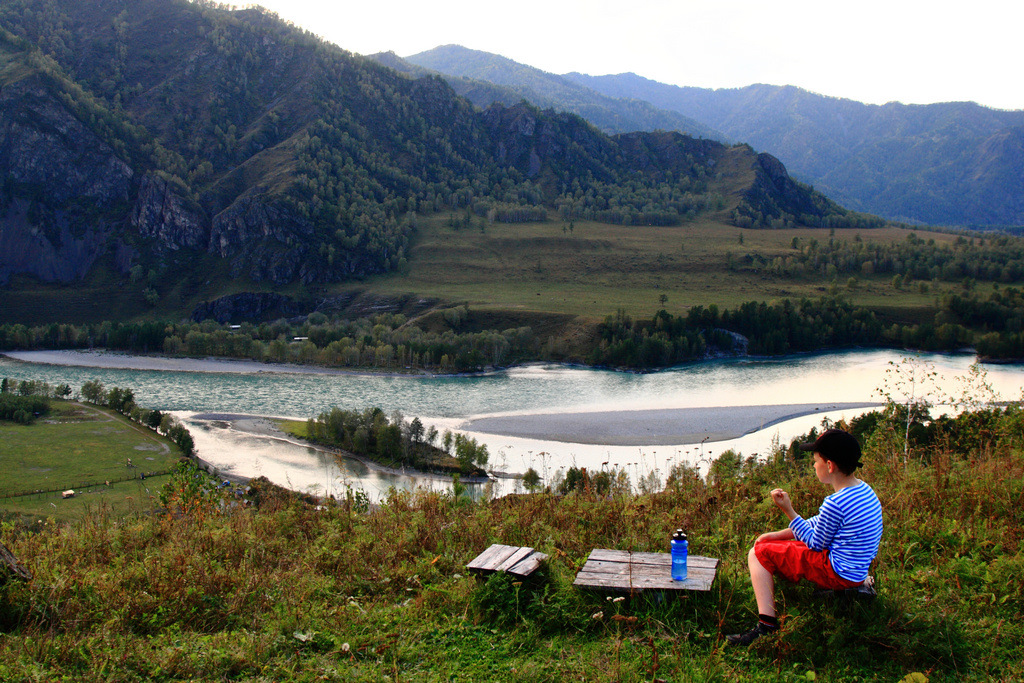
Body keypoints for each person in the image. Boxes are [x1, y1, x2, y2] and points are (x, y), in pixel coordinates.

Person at [726, 428, 883, 646]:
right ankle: (844, 591)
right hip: (856, 570)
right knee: (770, 544)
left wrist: (788, 511)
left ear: (829, 465)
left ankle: (767, 626)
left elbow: (816, 543)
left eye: (815, 460)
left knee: (757, 553)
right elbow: (820, 525)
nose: (813, 465)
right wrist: (776, 536)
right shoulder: (864, 491)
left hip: (838, 572)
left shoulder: (835, 504)